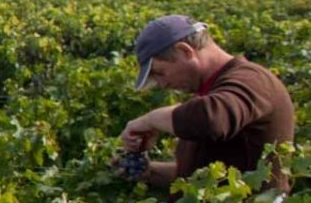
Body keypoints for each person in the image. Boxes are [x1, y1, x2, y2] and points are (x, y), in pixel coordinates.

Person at [119, 15, 294, 192]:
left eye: (160, 72)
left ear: (185, 51)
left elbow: (212, 120)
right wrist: (150, 172)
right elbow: (204, 179)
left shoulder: (253, 80)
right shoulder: (214, 90)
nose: (163, 84)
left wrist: (151, 120)